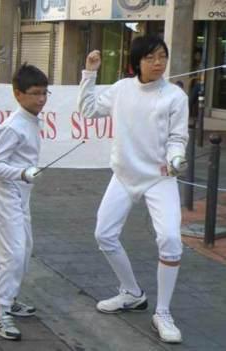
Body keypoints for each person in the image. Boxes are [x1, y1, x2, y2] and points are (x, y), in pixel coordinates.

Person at [79, 35, 188, 344]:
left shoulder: (175, 97)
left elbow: (178, 137)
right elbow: (88, 110)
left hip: (159, 177)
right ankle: (131, 292)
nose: (158, 63)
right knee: (104, 234)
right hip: (125, 174)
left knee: (170, 239)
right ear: (136, 62)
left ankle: (163, 312)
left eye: (162, 57)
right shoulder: (122, 89)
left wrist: (176, 157)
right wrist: (90, 73)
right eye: (151, 58)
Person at [0, 63, 49, 341]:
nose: (41, 99)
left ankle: (10, 300)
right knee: (12, 254)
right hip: (5, 195)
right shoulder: (11, 127)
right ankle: (0, 313)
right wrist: (22, 172)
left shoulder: (32, 120)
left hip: (21, 195)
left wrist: (24, 175)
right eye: (35, 93)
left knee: (24, 251)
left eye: (44, 93)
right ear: (18, 94)